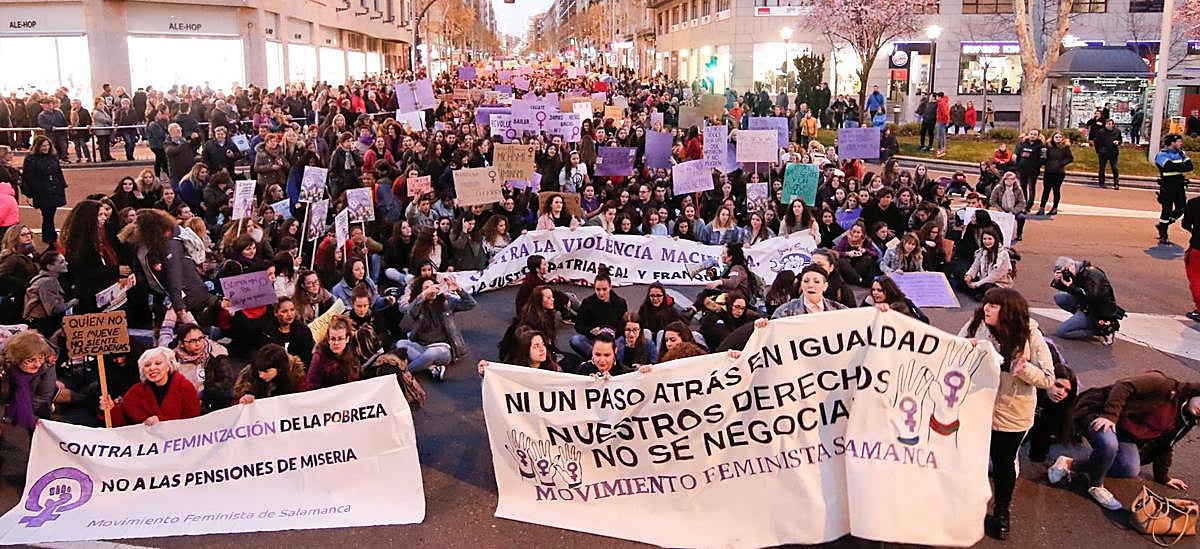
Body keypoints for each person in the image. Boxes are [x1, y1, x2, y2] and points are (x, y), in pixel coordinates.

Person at [958, 288, 1054, 540]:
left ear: (1008, 311)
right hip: (977, 408)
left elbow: (1048, 378)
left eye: (993, 305)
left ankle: (1001, 511)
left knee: (1003, 464)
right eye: (986, 303)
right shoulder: (976, 324)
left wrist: (1024, 370)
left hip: (1012, 413)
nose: (986, 308)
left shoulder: (1030, 334)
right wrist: (966, 349)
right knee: (972, 460)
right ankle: (969, 507)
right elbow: (953, 351)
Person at [1048, 372, 1200, 511]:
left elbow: (1165, 445)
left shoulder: (1186, 420)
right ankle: (1096, 485)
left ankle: (1068, 464)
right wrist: (1110, 415)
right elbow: (1124, 385)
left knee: (1130, 468)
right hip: (1101, 412)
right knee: (1109, 444)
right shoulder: (1165, 385)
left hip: (1125, 434)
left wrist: (1164, 477)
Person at [0, 331, 56, 484]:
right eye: (30, 360)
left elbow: (44, 395)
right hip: (5, 400)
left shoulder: (48, 364)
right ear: (17, 358)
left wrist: (25, 412)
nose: (37, 364)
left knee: (41, 431)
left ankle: (41, 472)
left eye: (40, 358)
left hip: (35, 403)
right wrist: (5, 414)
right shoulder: (3, 363)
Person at [398, 275, 477, 381]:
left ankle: (405, 372)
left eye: (432, 285)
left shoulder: (446, 302)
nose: (431, 289)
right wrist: (423, 295)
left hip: (443, 349)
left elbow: (471, 304)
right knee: (401, 343)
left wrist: (459, 290)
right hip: (423, 346)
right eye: (426, 287)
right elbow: (410, 312)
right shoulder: (418, 306)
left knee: (431, 353)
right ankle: (432, 368)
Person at [99, 346, 202, 427]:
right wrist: (111, 409)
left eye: (158, 363)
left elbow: (192, 423)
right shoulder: (135, 392)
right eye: (147, 365)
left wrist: (162, 422)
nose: (152, 368)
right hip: (145, 445)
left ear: (168, 366)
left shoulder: (185, 388)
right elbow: (122, 425)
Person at [1051, 256, 1121, 345]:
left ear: (1072, 264)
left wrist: (1071, 287)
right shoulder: (1077, 272)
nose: (1066, 273)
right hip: (1085, 305)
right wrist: (1058, 281)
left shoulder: (1093, 275)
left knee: (1061, 332)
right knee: (1059, 297)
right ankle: (1082, 321)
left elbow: (1091, 297)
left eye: (1065, 270)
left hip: (1097, 312)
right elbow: (1072, 290)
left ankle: (1101, 330)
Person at [569, 267, 628, 358]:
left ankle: (609, 359)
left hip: (614, 339)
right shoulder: (587, 302)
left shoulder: (620, 303)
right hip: (593, 338)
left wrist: (613, 331)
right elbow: (579, 325)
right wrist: (590, 330)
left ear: (610, 287)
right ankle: (597, 358)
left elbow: (624, 325)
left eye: (604, 289)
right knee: (575, 340)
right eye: (598, 289)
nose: (601, 293)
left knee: (623, 341)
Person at [20, 136, 67, 244]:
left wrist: (61, 186)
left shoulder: (53, 157)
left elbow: (58, 172)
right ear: (37, 146)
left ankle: (49, 236)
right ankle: (50, 237)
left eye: (47, 145)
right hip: (42, 192)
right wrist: (32, 192)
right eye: (43, 146)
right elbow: (28, 177)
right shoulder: (31, 159)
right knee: (47, 214)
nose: (46, 148)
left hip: (54, 189)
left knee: (50, 214)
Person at [22, 250, 77, 337]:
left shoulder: (39, 278)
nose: (66, 263)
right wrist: (73, 302)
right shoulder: (48, 282)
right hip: (44, 326)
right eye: (61, 262)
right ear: (50, 266)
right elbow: (53, 310)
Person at [234, 343, 308, 404]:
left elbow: (303, 400)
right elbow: (234, 407)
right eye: (259, 371)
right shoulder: (249, 378)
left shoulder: (297, 378)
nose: (261, 375)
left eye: (266, 371)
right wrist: (243, 400)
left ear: (279, 368)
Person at [767, 264, 848, 319]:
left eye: (816, 282)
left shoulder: (840, 310)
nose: (811, 285)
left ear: (825, 286)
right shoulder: (784, 312)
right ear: (801, 285)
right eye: (806, 281)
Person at [1154, 133, 1193, 245]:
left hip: (1179, 185)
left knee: (1181, 208)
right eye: (1179, 141)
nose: (1181, 143)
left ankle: (1162, 225)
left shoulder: (1181, 153)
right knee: (1166, 210)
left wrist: (1177, 167)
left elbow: (1190, 166)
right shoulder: (1162, 155)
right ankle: (1163, 234)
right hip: (1167, 185)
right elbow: (1168, 167)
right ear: (1172, 143)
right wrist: (1181, 167)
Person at [306, 315, 361, 389]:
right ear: (328, 339)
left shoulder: (354, 351)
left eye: (340, 339)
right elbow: (311, 386)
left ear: (347, 339)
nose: (336, 343)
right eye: (333, 339)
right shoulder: (319, 358)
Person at [478, 328, 561, 376]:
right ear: (525, 350)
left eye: (543, 344)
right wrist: (486, 373)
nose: (542, 349)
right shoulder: (511, 372)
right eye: (536, 346)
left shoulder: (552, 367)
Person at [963, 226, 1014, 300]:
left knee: (986, 287)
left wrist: (977, 284)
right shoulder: (982, 251)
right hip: (983, 279)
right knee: (962, 280)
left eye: (990, 239)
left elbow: (994, 276)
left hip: (998, 283)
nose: (987, 241)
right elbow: (975, 266)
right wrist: (969, 276)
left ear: (995, 239)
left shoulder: (1003, 255)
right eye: (984, 239)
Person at [861, 275, 929, 323]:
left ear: (888, 290)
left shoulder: (904, 301)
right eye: (873, 290)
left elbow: (924, 320)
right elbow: (859, 318)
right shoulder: (869, 301)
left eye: (879, 290)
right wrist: (873, 306)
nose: (875, 293)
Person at [1038, 131, 1073, 216]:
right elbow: (1044, 156)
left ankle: (1054, 208)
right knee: (1046, 190)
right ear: (1053, 138)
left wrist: (1061, 163)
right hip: (1049, 171)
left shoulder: (1065, 147)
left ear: (1063, 138)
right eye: (1056, 137)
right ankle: (1042, 208)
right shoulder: (1048, 146)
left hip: (1059, 172)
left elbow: (1070, 158)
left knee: (1056, 190)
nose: (1058, 139)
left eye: (1060, 137)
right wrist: (1043, 161)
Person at [988, 171, 1027, 242]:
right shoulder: (998, 188)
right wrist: (1001, 210)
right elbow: (992, 201)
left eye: (1011, 179)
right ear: (1004, 179)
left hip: (1013, 210)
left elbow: (1022, 203)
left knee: (1021, 218)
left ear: (1014, 180)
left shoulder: (1018, 189)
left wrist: (1013, 211)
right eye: (1007, 179)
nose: (1009, 181)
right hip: (1001, 209)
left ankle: (1019, 233)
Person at [1014, 130, 1044, 210]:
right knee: (1022, 187)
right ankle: (1023, 203)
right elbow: (1017, 155)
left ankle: (1029, 204)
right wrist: (1017, 166)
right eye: (1031, 134)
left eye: (1035, 134)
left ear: (1038, 136)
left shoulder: (1041, 146)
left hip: (1033, 171)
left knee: (1031, 188)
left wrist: (1035, 165)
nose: (1032, 136)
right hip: (1022, 170)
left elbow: (1043, 158)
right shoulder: (1023, 144)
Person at [1092, 118, 1122, 190]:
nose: (1108, 126)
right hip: (1103, 153)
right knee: (1102, 168)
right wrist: (1098, 151)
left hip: (1113, 152)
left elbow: (1120, 140)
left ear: (1113, 125)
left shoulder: (1117, 131)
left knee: (1114, 168)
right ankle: (1101, 182)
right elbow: (1096, 141)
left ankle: (1116, 183)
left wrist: (1118, 142)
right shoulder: (1101, 132)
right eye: (1107, 124)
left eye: (1109, 124)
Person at [1185, 191, 1200, 321]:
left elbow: (1185, 224)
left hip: (1197, 247)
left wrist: (1195, 232)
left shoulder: (1194, 203)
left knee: (1196, 279)